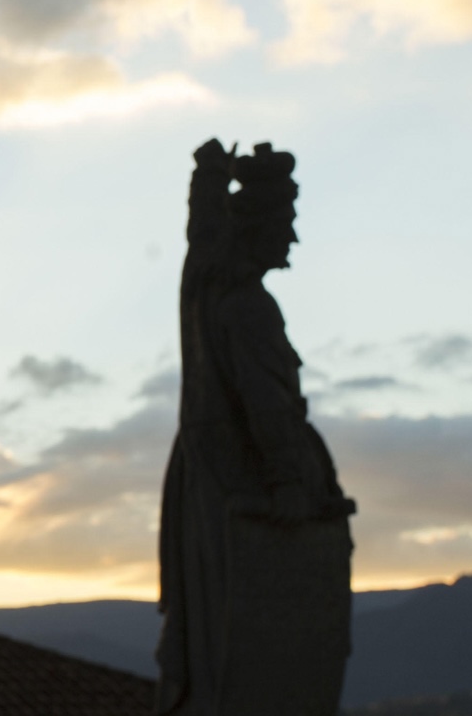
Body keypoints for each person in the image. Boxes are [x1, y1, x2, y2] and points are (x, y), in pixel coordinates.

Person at [157, 140, 355, 716]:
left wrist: (210, 173)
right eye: (286, 223)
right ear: (259, 226)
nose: (292, 239)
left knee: (209, 632)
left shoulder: (204, 281)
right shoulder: (248, 307)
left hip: (204, 478)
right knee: (254, 649)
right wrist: (289, 484)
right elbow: (269, 405)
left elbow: (202, 229)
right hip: (243, 485)